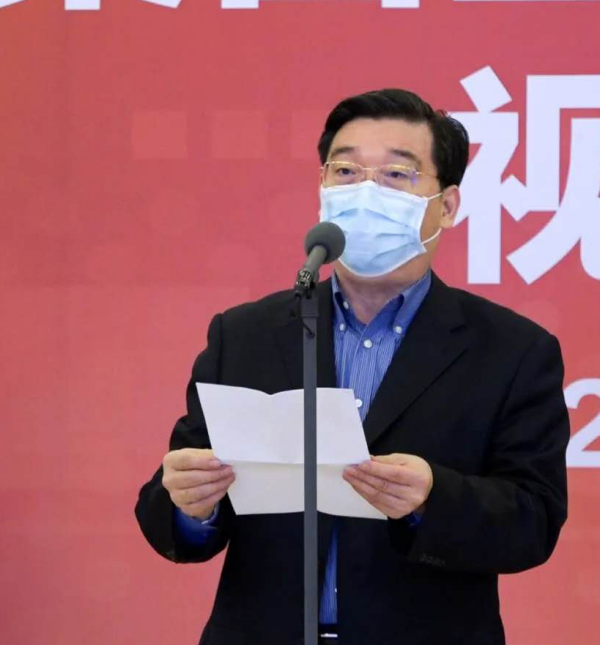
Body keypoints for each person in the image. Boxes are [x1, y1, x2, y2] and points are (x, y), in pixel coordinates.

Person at [135, 89, 570, 645]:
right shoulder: (244, 335)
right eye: (345, 171)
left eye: (396, 174)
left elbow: (533, 522)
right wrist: (189, 506)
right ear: (322, 190)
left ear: (447, 205)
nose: (365, 193)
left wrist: (432, 499)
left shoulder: (512, 350)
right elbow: (168, 511)